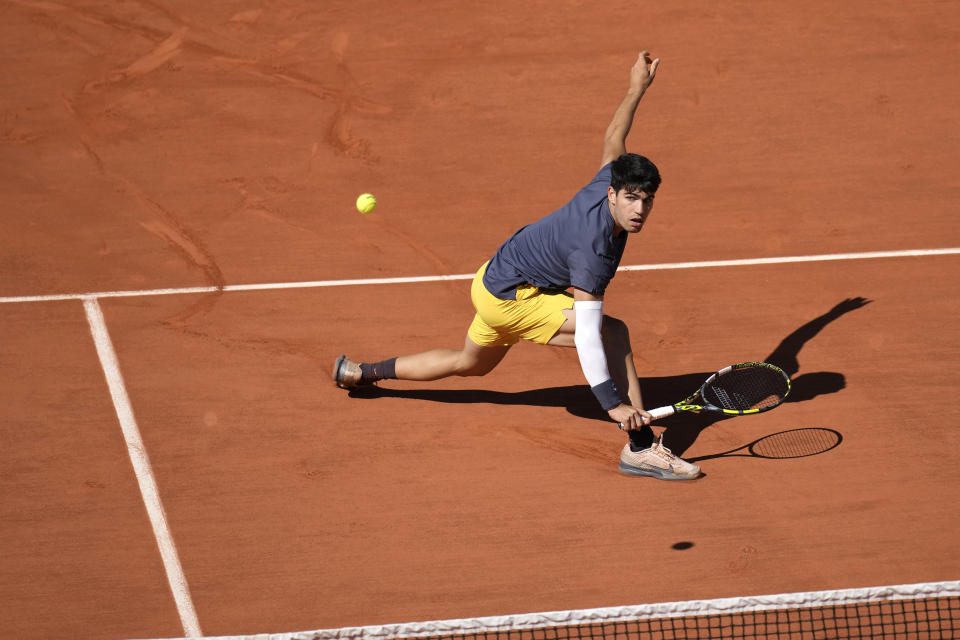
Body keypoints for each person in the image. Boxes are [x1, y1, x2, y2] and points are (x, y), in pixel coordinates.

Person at [334, 51, 700, 481]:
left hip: (494, 279)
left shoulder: (608, 177)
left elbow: (614, 135)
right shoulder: (593, 251)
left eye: (647, 200)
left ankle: (360, 373)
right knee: (612, 333)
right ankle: (641, 447)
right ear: (613, 196)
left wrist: (637, 86)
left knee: (470, 364)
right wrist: (613, 404)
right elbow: (588, 335)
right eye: (632, 198)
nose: (639, 209)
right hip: (513, 298)